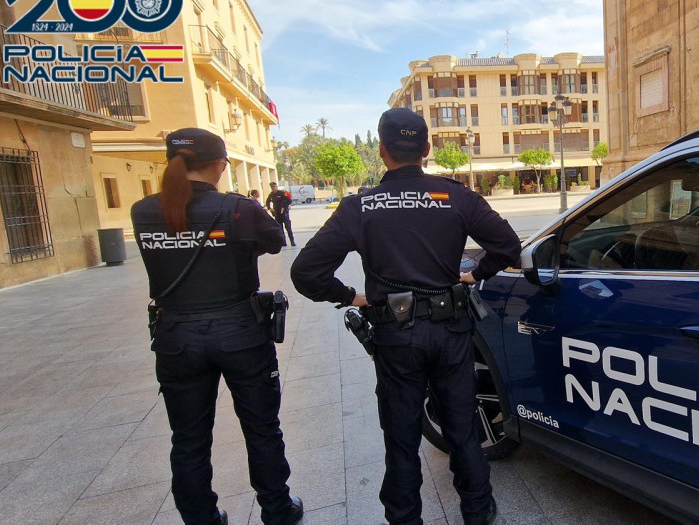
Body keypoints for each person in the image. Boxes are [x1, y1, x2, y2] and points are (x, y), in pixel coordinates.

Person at [289, 108, 520, 525]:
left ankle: (404, 518)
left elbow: (305, 273)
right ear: (427, 149)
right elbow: (507, 246)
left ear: (382, 151)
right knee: (462, 428)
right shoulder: (456, 196)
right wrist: (474, 275)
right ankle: (477, 511)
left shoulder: (359, 206)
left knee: (401, 437)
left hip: (395, 336)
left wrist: (350, 297)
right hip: (451, 330)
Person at [131, 128, 304, 525]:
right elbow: (275, 241)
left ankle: (201, 518)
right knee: (261, 427)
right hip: (240, 334)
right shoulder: (238, 209)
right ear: (221, 165)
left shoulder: (143, 211)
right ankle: (277, 509)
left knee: (188, 438)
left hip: (176, 337)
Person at [265, 182, 295, 247]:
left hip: (284, 213)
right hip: (277, 213)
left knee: (288, 228)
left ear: (276, 186)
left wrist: (283, 207)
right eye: (272, 187)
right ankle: (283, 242)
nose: (273, 188)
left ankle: (292, 241)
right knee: (280, 229)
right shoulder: (271, 195)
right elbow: (267, 202)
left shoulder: (281, 193)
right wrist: (270, 208)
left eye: (274, 186)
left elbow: (289, 200)